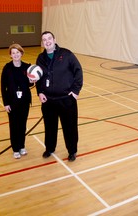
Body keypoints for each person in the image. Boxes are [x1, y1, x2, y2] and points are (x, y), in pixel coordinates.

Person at [36, 31, 83, 162]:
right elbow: (39, 78)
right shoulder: (41, 58)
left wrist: (75, 91)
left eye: (49, 38)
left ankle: (72, 151)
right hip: (48, 101)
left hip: (66, 100)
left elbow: (78, 72)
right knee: (49, 126)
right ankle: (50, 148)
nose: (47, 41)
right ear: (42, 43)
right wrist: (40, 92)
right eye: (44, 40)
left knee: (70, 127)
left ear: (54, 39)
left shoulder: (66, 54)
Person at [1, 43, 33, 159]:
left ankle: (22, 146)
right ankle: (15, 148)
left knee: (22, 125)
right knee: (14, 126)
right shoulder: (7, 68)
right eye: (13, 53)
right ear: (10, 55)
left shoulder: (27, 67)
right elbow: (3, 86)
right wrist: (6, 103)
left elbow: (30, 83)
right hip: (12, 102)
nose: (15, 55)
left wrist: (32, 80)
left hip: (24, 101)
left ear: (21, 53)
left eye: (17, 52)